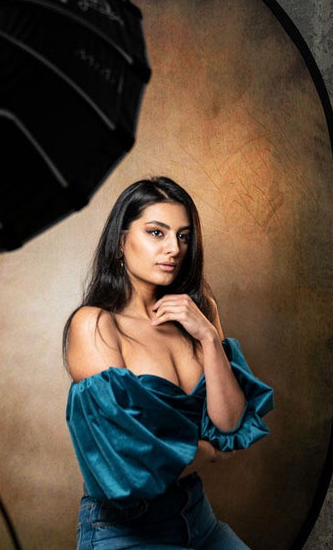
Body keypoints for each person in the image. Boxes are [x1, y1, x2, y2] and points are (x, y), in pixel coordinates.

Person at [63, 176, 273, 550]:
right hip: (127, 533)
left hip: (199, 519)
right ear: (121, 241)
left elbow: (230, 424)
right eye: (156, 233)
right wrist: (210, 451)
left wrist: (208, 337)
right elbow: (132, 464)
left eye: (183, 236)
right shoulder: (95, 325)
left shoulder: (200, 310)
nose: (174, 249)